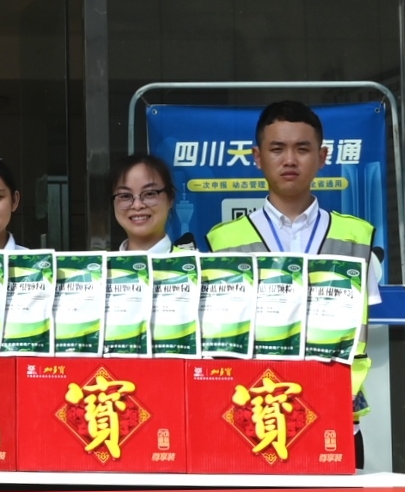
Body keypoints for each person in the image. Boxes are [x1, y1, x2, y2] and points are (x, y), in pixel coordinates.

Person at [205, 100, 380, 409]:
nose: (289, 160)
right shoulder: (223, 242)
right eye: (277, 149)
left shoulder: (357, 237)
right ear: (258, 157)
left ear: (322, 157)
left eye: (302, 149)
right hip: (257, 410)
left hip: (337, 408)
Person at [108, 153, 191, 253]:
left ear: (170, 198)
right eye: (125, 196)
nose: (137, 205)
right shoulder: (102, 263)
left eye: (149, 194)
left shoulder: (194, 262)